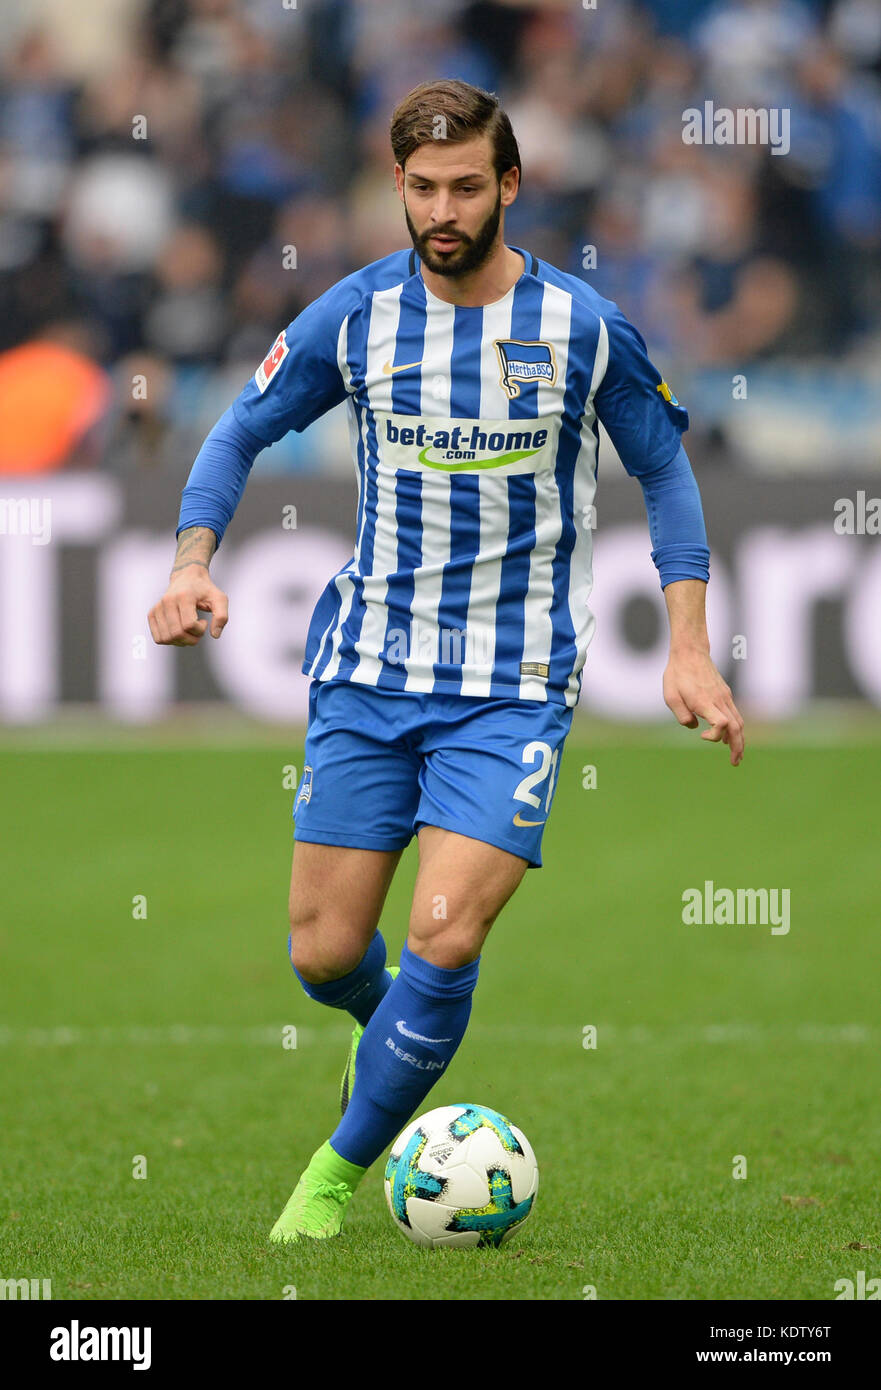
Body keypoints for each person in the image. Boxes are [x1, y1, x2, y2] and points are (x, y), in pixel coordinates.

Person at [148, 79, 745, 1244]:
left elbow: (664, 474)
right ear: (397, 188)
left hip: (511, 686)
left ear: (508, 186)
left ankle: (333, 1172)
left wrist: (688, 645)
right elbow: (238, 428)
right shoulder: (353, 317)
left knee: (443, 933)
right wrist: (189, 561)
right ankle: (389, 1045)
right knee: (323, 958)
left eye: (466, 186)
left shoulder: (581, 328)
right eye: (421, 188)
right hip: (368, 670)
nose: (442, 209)